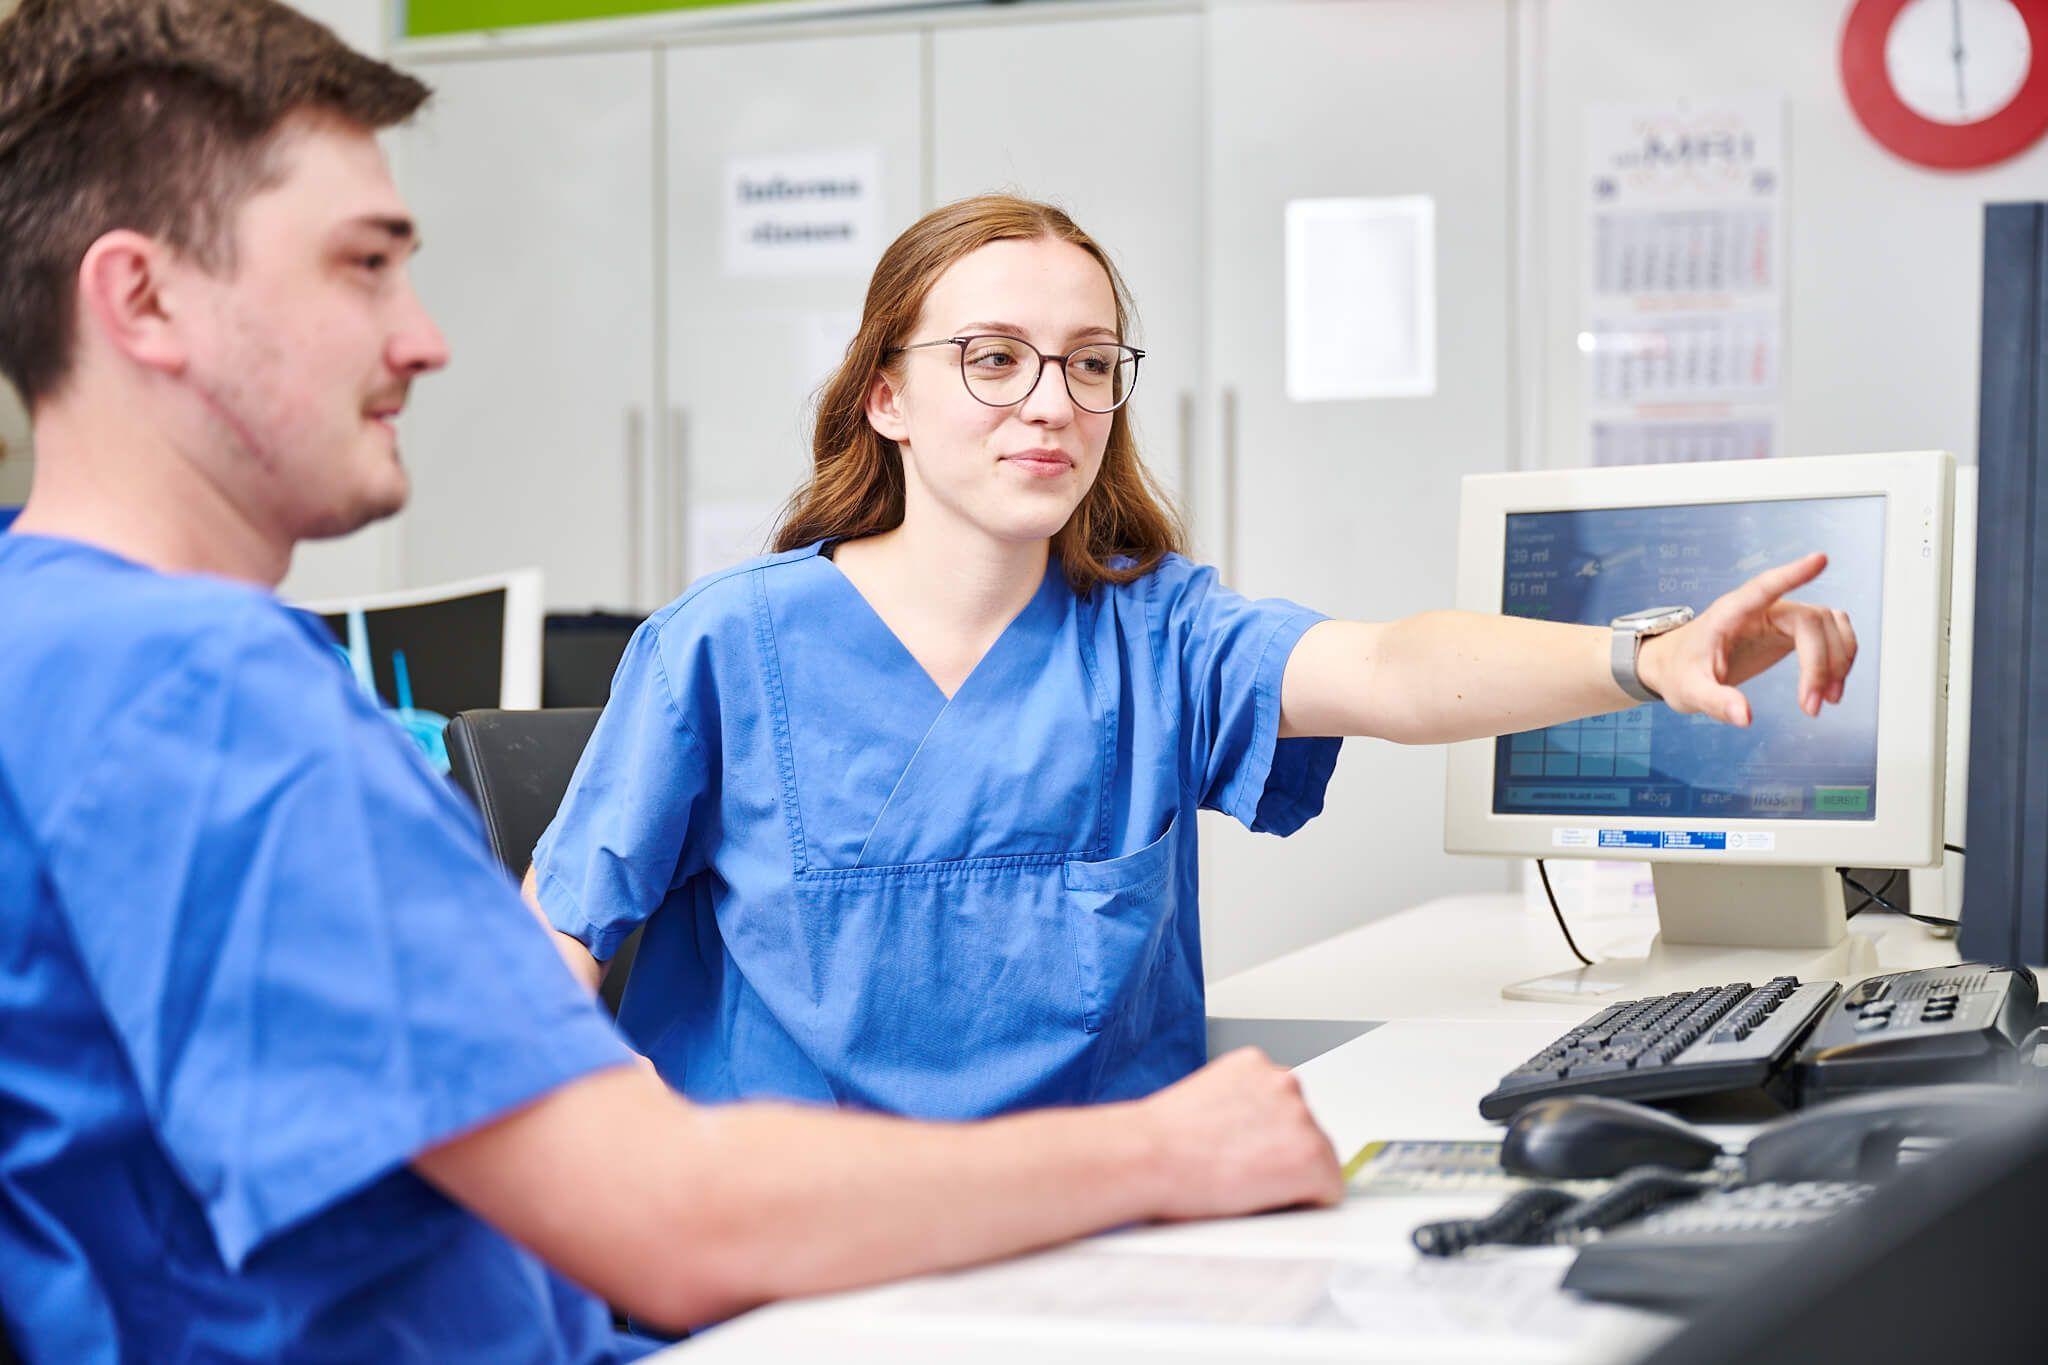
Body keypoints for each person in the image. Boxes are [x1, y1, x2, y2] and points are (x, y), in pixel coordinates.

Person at [0, 3, 1343, 1360]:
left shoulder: (57, 642)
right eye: (363, 266)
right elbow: (670, 1221)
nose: (423, 339)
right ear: (144, 297)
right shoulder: (202, 700)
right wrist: (1167, 1146)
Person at [532, 194, 1860, 1119]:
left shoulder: (1156, 632)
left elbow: (1395, 668)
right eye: (993, 359)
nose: (1052, 401)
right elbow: (555, 950)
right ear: (886, 395)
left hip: (1093, 1251)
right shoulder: (723, 646)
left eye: (1090, 362)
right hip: (792, 1271)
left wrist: (1642, 655)